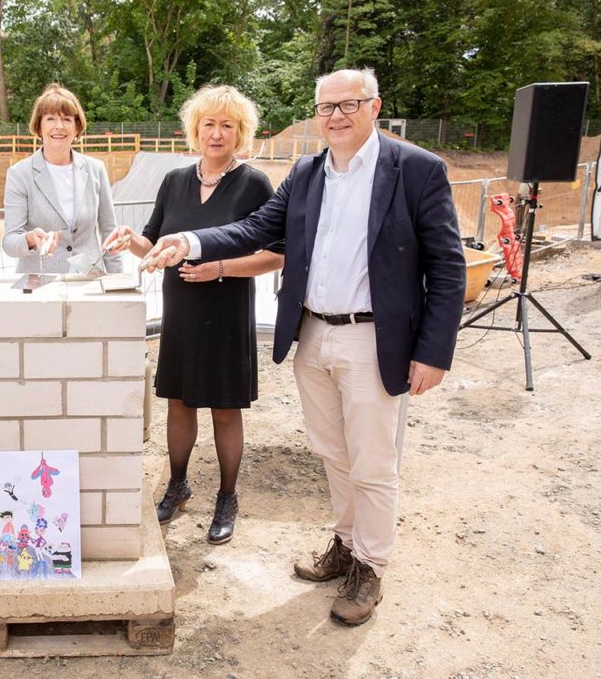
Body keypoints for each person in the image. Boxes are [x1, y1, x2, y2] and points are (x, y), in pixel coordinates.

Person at [144, 68, 466, 625]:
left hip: (374, 337)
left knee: (372, 460)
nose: (336, 115)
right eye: (327, 107)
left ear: (374, 106)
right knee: (332, 452)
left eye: (350, 104)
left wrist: (433, 351)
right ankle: (344, 544)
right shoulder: (308, 171)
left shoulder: (416, 169)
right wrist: (189, 239)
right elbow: (259, 228)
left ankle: (370, 566)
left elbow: (447, 264)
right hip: (314, 332)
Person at [103, 85, 284, 545]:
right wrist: (131, 239)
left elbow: (277, 255)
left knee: (225, 408)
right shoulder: (174, 180)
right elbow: (153, 241)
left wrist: (219, 268)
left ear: (240, 132)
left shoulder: (254, 183)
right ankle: (178, 484)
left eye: (227, 125)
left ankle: (227, 496)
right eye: (209, 124)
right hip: (181, 309)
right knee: (178, 402)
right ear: (195, 130)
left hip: (226, 308)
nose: (217, 133)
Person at [2, 84, 120, 274]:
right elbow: (9, 242)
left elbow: (110, 234)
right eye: (50, 119)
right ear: (39, 127)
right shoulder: (19, 174)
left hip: (88, 283)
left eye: (66, 119)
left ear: (77, 127)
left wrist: (119, 284)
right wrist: (31, 239)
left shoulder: (95, 169)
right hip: (40, 285)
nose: (59, 126)